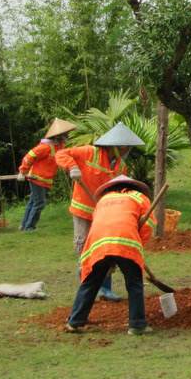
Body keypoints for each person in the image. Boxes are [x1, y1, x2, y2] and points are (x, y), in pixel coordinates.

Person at [65, 174, 156, 335]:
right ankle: (137, 325)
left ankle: (75, 322)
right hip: (126, 241)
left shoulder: (103, 200)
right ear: (133, 187)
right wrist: (136, 247)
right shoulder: (140, 198)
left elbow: (99, 222)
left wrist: (111, 256)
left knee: (91, 282)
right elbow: (147, 226)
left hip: (98, 244)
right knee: (134, 283)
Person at [56, 122, 137, 301]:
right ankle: (87, 291)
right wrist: (72, 167)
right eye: (127, 147)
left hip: (104, 214)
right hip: (83, 211)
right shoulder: (89, 152)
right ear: (120, 146)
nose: (127, 151)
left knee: (106, 249)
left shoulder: (121, 167)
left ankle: (105, 290)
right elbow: (61, 154)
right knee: (85, 248)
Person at [16, 118, 76, 232]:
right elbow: (28, 157)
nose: (67, 136)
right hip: (36, 178)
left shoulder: (58, 146)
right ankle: (29, 227)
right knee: (39, 202)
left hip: (44, 179)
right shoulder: (44, 147)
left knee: (33, 201)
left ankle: (24, 225)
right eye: (64, 135)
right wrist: (22, 171)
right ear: (58, 136)